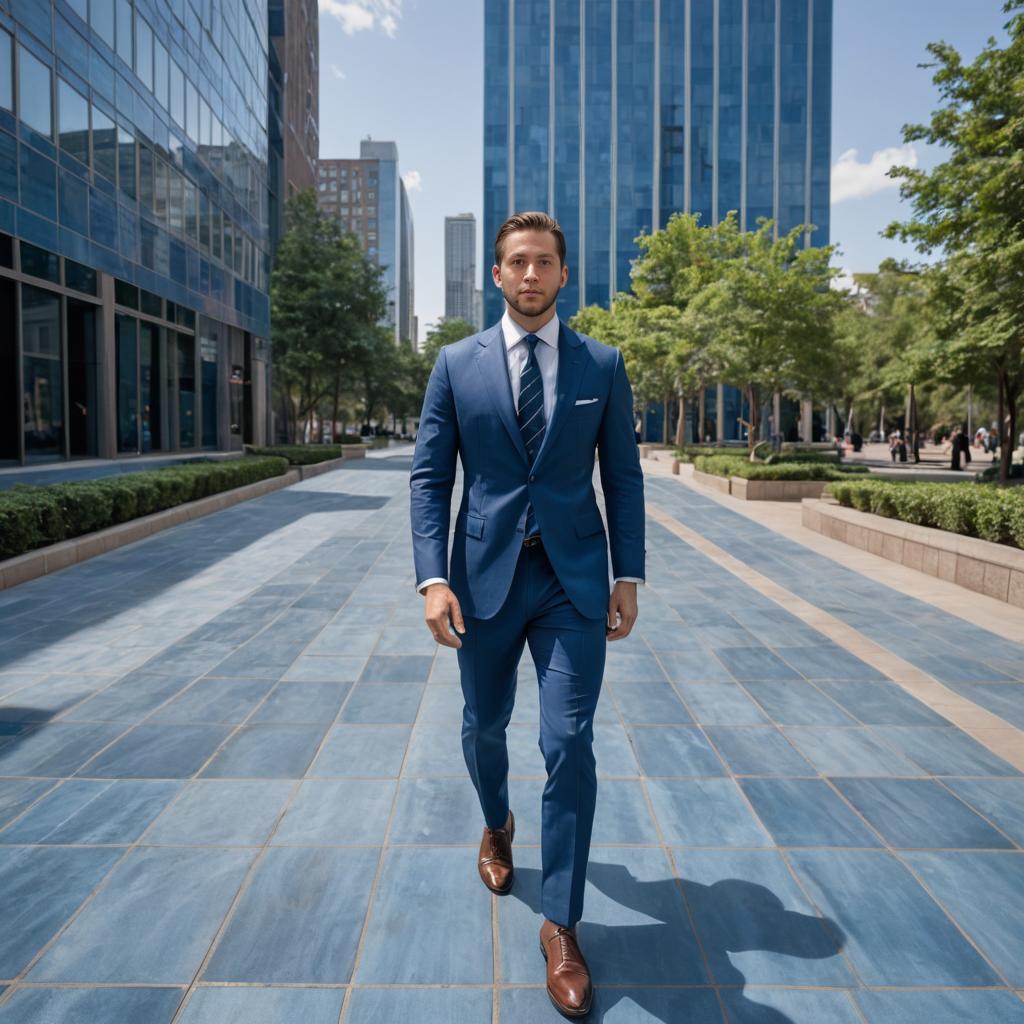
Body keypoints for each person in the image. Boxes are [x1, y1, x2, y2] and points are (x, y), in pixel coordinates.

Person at [410, 211, 646, 1019]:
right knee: (483, 726)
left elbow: (623, 475)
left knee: (568, 740)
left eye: (546, 262)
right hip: (482, 581)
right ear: (497, 275)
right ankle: (497, 822)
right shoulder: (454, 364)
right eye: (517, 262)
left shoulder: (601, 364)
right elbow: (429, 478)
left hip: (573, 582)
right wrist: (431, 580)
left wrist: (628, 573)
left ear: (565, 275)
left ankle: (562, 923)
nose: (532, 274)